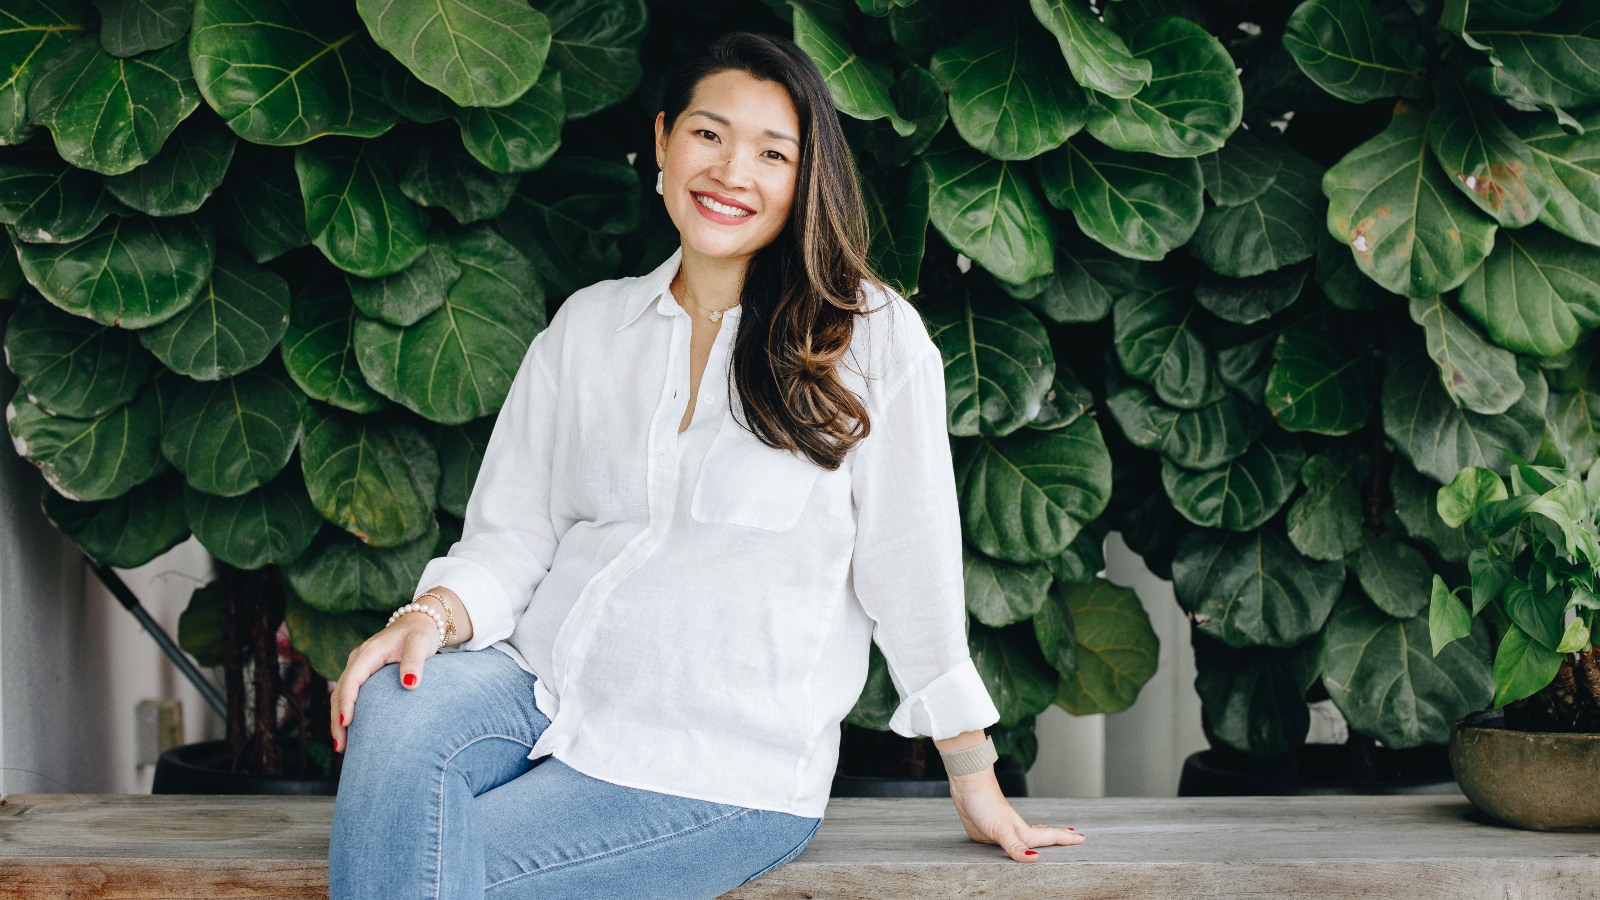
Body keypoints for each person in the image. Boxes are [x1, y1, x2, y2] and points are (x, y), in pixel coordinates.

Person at [326, 30, 1084, 900]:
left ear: (806, 178)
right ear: (662, 140)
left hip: (713, 765)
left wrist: (973, 774)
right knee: (398, 696)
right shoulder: (588, 326)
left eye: (772, 153)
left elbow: (910, 574)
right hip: (536, 689)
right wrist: (433, 613)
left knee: (429, 873)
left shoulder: (868, 342)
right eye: (709, 134)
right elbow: (514, 535)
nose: (732, 172)